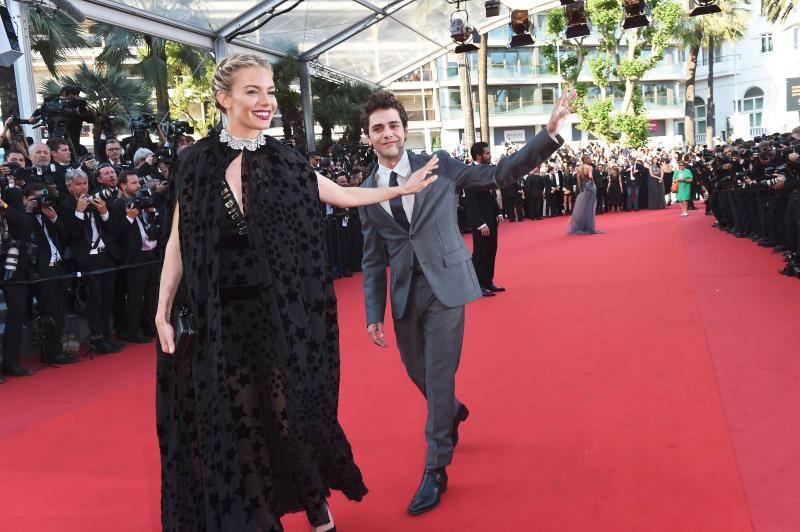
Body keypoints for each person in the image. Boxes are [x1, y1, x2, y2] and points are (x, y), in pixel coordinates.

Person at [154, 53, 438, 532]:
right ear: (224, 99)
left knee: (289, 411)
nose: (266, 101)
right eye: (253, 91)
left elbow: (340, 194)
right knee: (236, 415)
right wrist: (163, 311)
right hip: (219, 320)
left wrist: (396, 190)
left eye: (269, 91)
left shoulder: (283, 160)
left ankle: (312, 499)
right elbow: (178, 243)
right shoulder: (194, 164)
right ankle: (256, 515)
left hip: (278, 315)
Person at [359, 88, 575, 515]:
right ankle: (452, 412)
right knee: (417, 372)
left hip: (446, 287)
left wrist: (547, 134)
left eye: (393, 125)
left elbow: (498, 174)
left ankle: (435, 467)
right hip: (404, 294)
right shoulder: (366, 190)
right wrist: (372, 313)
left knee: (438, 376)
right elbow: (372, 258)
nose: (387, 133)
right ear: (368, 136)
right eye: (378, 128)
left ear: (405, 128)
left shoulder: (438, 165)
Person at [464, 141, 505, 297]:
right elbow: (471, 202)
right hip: (481, 223)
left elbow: (491, 194)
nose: (490, 155)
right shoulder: (470, 173)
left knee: (491, 250)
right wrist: (481, 224)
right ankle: (477, 285)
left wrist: (498, 212)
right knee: (480, 253)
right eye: (487, 153)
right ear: (478, 156)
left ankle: (488, 281)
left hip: (491, 219)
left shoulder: (487, 170)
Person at [567, 155, 603, 235]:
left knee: (583, 208)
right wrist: (592, 182)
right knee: (590, 208)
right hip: (590, 187)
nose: (590, 160)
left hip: (583, 188)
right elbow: (590, 176)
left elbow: (578, 181)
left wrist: (580, 190)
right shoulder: (589, 167)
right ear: (586, 159)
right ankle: (589, 227)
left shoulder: (579, 168)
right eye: (589, 158)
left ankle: (582, 226)